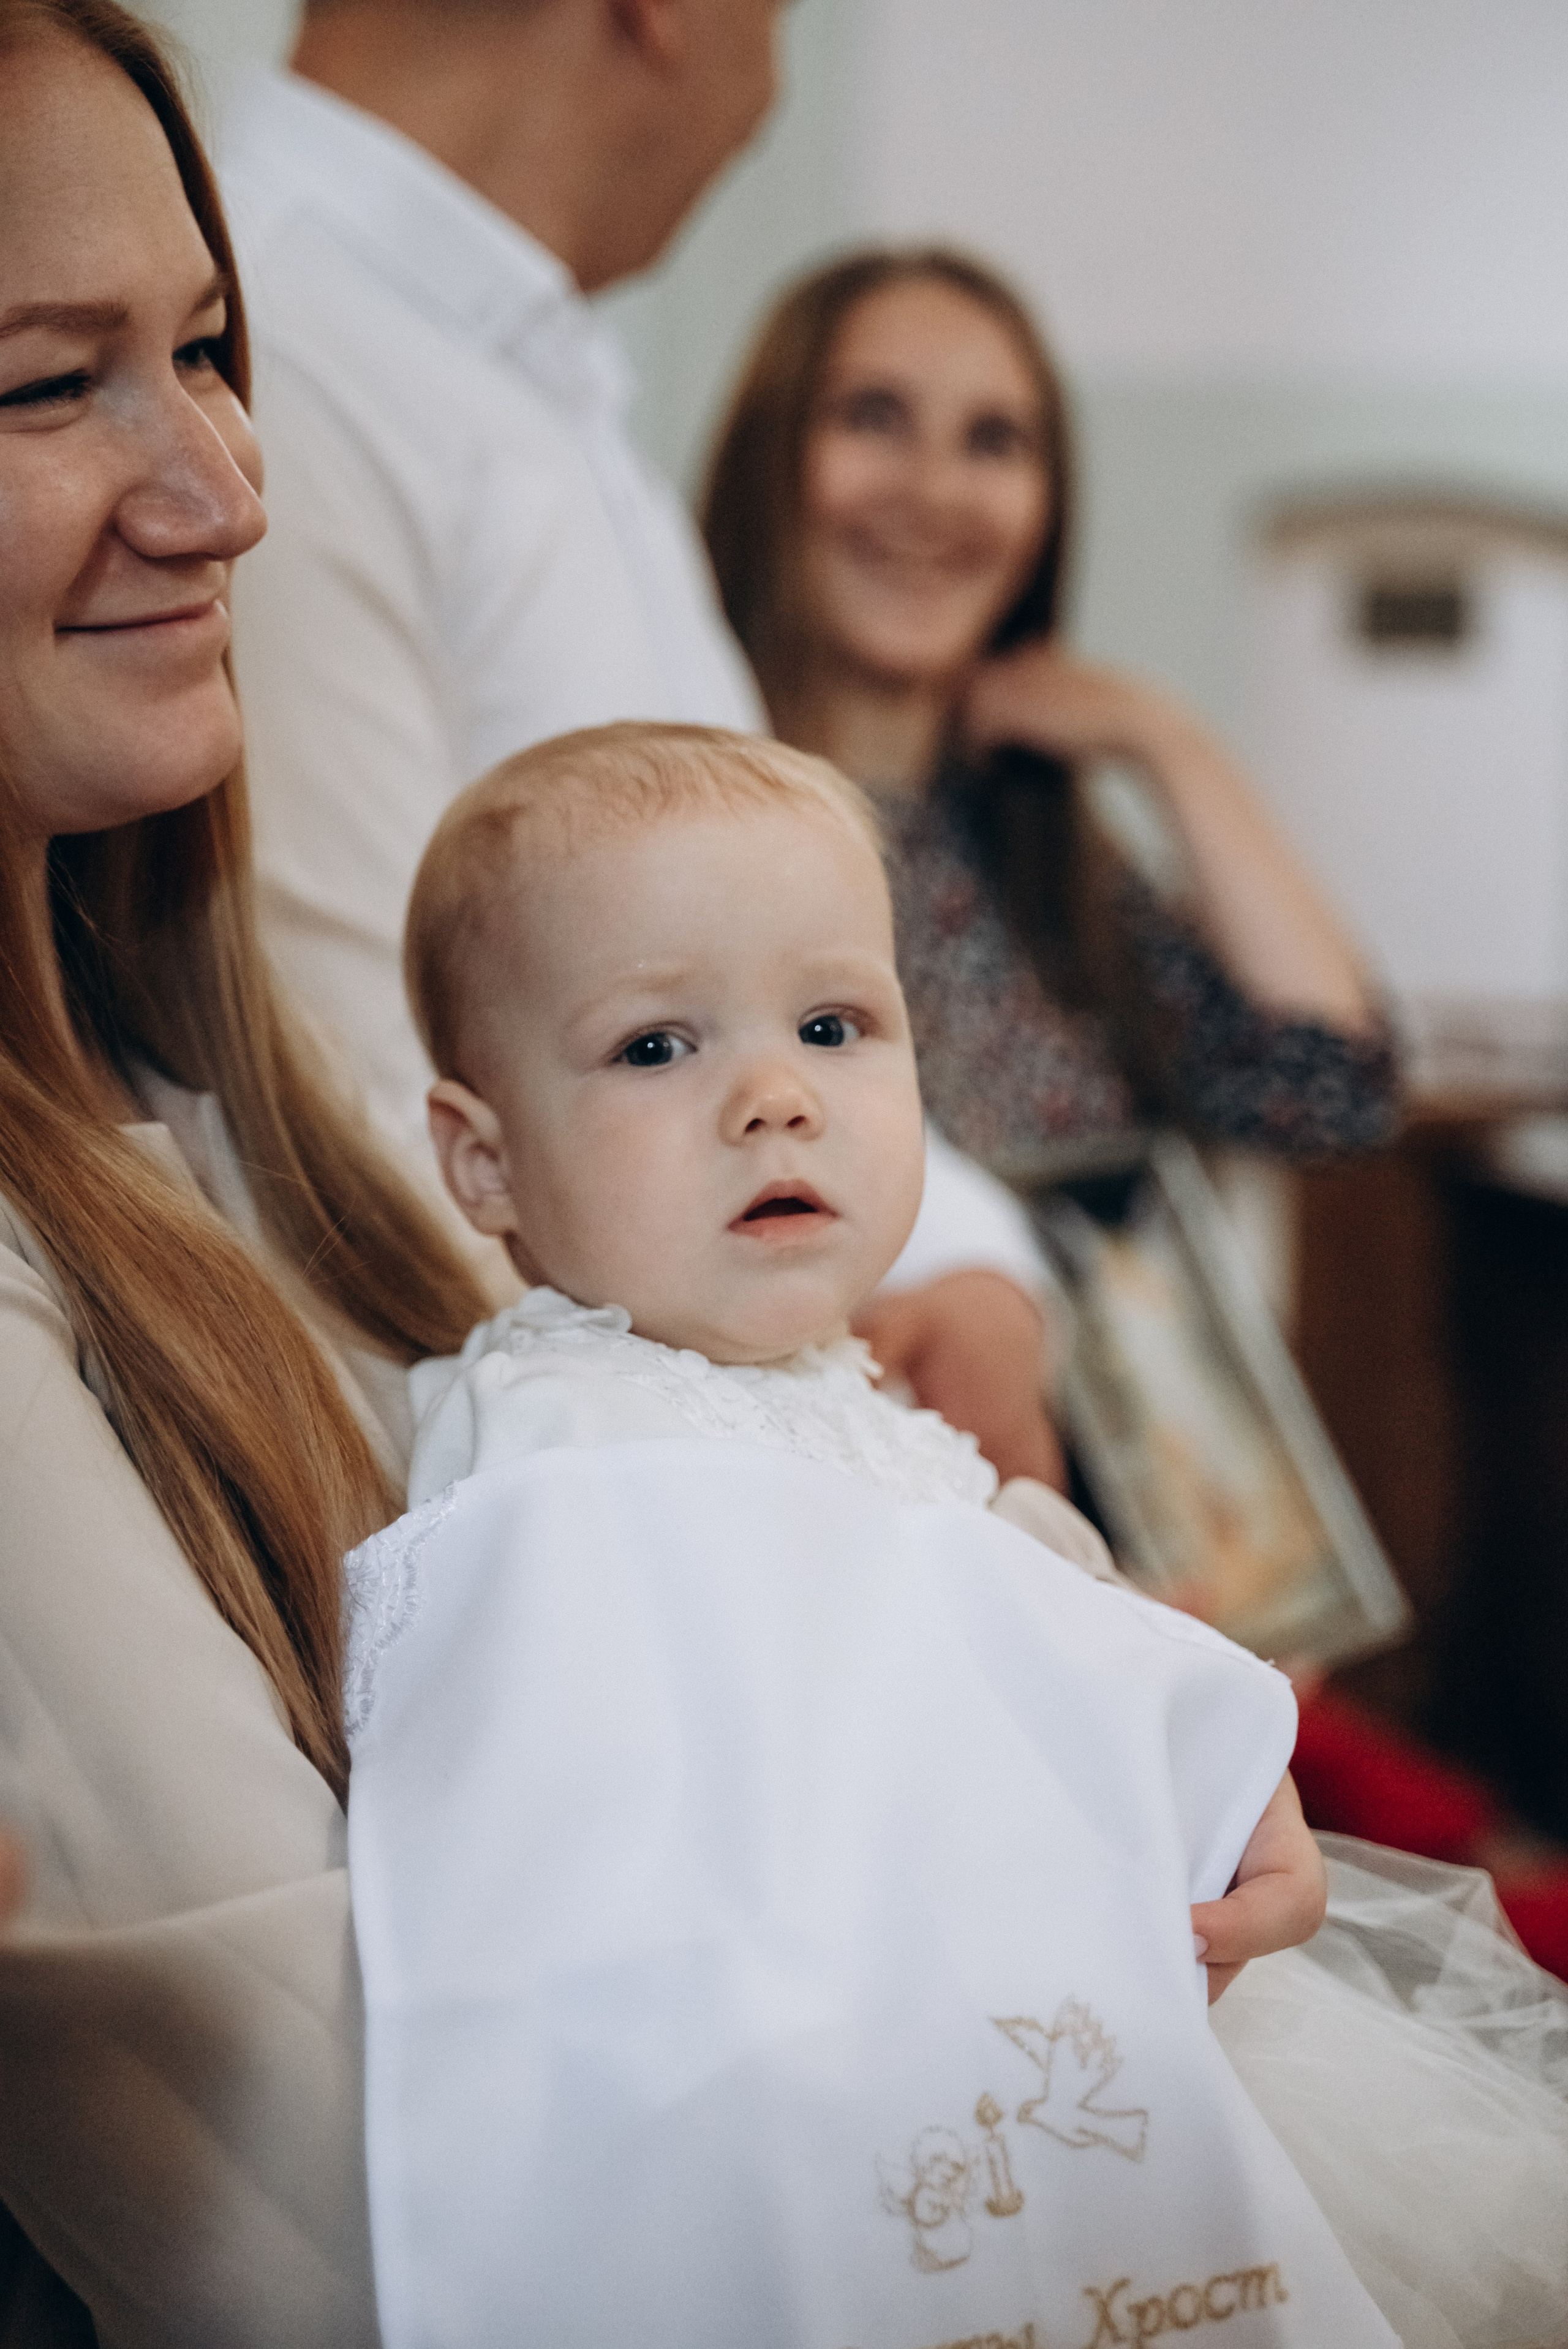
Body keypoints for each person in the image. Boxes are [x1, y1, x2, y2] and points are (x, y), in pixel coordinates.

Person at [343, 720, 1567, 2349]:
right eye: (655, 1047)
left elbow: (1004, 1636)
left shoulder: (842, 1393)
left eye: (835, 1022)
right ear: (484, 1157)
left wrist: (1210, 1762)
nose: (776, 1095)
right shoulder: (569, 1448)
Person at [699, 246, 1568, 1972]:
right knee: (1481, 1912)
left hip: (1162, 1548)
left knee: (1490, 1892)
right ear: (774, 454)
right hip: (889, 1561)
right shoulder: (697, 808)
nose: (938, 489)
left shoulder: (1040, 845)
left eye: (997, 439)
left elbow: (1332, 1079)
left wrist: (1162, 735)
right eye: (880, 418)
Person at [216, 0, 1069, 1487]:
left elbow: (776, 977)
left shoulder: (548, 391)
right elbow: (339, 1116)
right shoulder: (268, 329)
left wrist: (983, 1276)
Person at [0, 5, 494, 2339]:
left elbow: (645, 1430)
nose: (224, 484)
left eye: (205, 349)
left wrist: (1097, 1721)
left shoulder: (177, 1059)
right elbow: (321, 2179)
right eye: (41, 384)